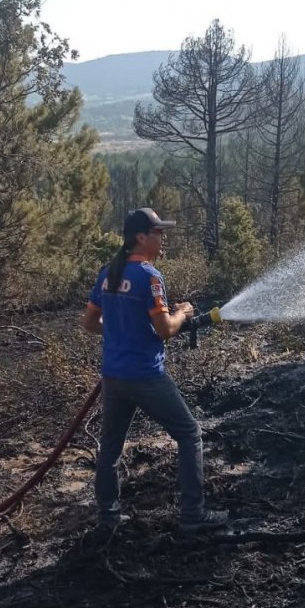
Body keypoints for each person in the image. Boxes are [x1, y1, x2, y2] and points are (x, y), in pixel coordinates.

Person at [82, 207, 228, 535]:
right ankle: (192, 515)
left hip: (113, 377)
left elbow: (90, 322)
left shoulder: (108, 273)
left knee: (110, 447)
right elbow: (164, 330)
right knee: (189, 434)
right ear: (141, 237)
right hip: (145, 376)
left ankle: (108, 518)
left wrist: (122, 332)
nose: (163, 238)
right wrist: (183, 314)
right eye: (158, 233)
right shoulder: (149, 276)